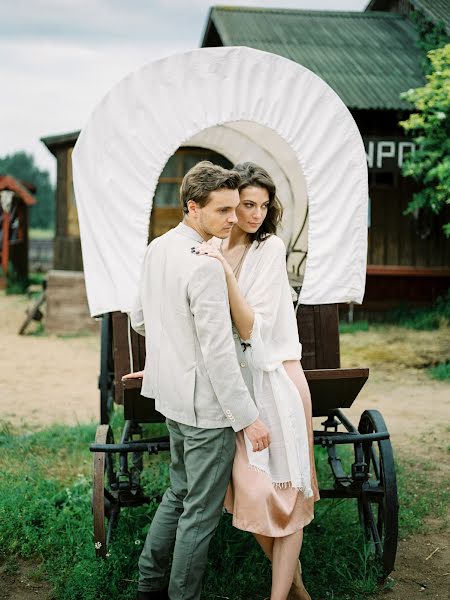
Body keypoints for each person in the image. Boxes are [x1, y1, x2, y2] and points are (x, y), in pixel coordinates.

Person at [128, 160, 270, 600]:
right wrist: (248, 419)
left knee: (178, 493)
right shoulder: (206, 265)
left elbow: (138, 319)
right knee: (199, 514)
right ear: (193, 207)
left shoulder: (158, 247)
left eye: (235, 209)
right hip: (207, 413)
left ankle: (147, 585)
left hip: (170, 399)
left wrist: (175, 345)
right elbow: (219, 355)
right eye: (223, 211)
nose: (234, 220)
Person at [193, 162, 320, 600]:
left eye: (263, 206)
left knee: (288, 496)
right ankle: (296, 583)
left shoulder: (269, 250)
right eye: (246, 204)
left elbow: (251, 330)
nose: (255, 214)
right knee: (252, 492)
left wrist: (224, 272)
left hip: (277, 380)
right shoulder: (206, 245)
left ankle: (279, 595)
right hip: (234, 387)